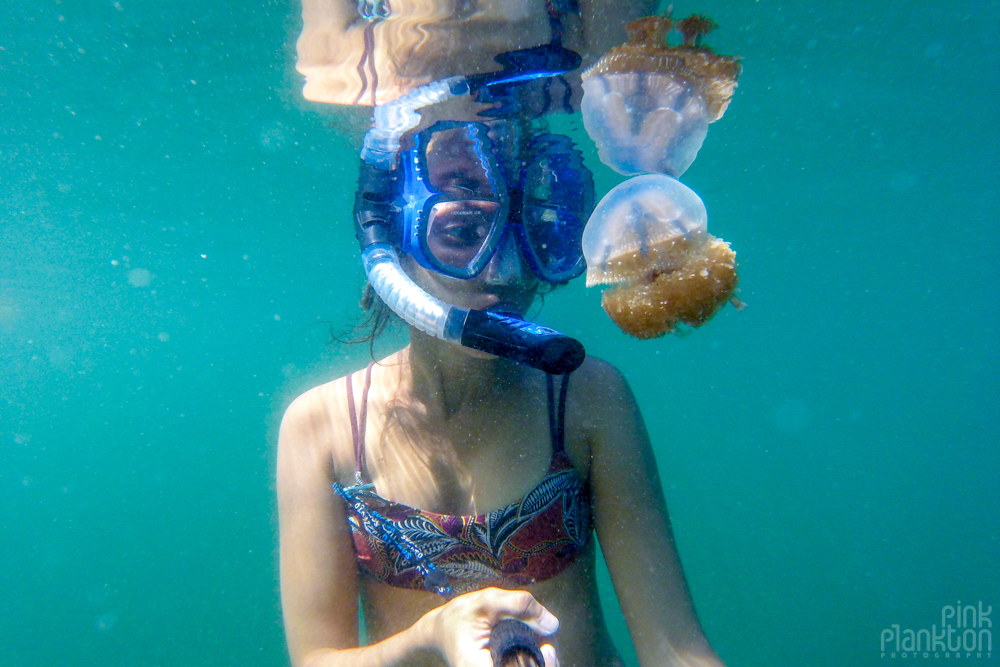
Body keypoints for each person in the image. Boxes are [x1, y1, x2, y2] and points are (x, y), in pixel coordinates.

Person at [279, 3, 729, 666]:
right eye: (463, 232)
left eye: (535, 237)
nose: (502, 271)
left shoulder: (585, 398)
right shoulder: (319, 428)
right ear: (389, 240)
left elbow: (674, 646)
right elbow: (314, 659)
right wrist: (432, 635)